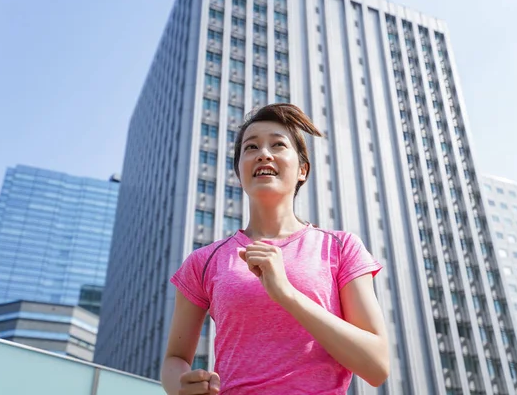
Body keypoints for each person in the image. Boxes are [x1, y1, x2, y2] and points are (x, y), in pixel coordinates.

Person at [162, 103, 389, 394]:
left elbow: (377, 366)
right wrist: (181, 386)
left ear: (302, 170)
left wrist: (286, 293)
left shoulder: (341, 247)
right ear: (239, 171)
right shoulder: (203, 261)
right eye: (251, 147)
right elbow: (175, 359)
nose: (263, 154)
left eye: (278, 144)